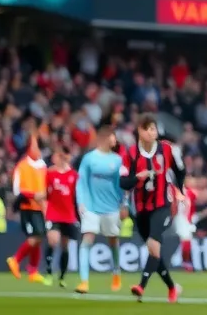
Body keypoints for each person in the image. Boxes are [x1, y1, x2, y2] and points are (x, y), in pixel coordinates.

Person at [119, 115, 185, 302]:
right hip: (140, 209)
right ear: (140, 131)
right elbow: (123, 182)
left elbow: (180, 171)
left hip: (163, 204)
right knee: (153, 252)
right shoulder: (130, 154)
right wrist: (137, 177)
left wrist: (180, 190)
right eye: (148, 129)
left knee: (153, 245)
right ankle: (173, 287)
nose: (152, 132)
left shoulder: (167, 150)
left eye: (154, 129)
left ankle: (141, 286)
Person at [76, 125, 127, 294]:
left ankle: (116, 273)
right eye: (113, 136)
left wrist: (124, 204)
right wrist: (81, 202)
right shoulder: (89, 159)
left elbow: (122, 185)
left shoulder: (117, 160)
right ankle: (84, 281)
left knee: (113, 240)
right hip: (91, 207)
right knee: (87, 240)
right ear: (105, 138)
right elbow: (81, 181)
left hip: (111, 207)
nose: (115, 140)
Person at [7, 135, 47, 282]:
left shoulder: (42, 166)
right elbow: (17, 190)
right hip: (28, 207)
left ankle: (33, 271)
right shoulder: (22, 166)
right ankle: (15, 259)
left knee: (38, 237)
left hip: (40, 207)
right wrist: (33, 195)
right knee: (36, 236)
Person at [42, 147, 79, 287]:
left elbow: (77, 196)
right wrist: (45, 208)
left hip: (68, 215)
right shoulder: (50, 174)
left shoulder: (74, 175)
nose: (61, 158)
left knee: (65, 245)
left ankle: (62, 276)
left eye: (64, 155)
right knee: (52, 241)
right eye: (59, 155)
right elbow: (45, 193)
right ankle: (49, 272)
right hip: (53, 213)